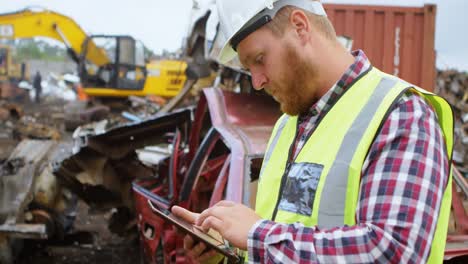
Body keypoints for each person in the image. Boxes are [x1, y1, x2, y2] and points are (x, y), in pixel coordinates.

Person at [172, 0, 454, 263]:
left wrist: (256, 236)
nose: (257, 82)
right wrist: (231, 251)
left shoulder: (401, 115)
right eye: (249, 69)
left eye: (259, 58)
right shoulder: (287, 125)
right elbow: (285, 233)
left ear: (299, 26)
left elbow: (393, 251)